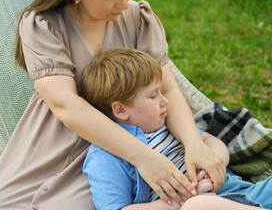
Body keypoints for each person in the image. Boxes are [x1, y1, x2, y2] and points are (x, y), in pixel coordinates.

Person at [0, 0, 226, 209]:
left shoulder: (138, 18)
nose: (124, 2)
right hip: (56, 136)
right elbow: (65, 106)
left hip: (118, 145)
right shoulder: (44, 24)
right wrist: (144, 158)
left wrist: (194, 145)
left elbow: (168, 90)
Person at [81, 48, 272, 210]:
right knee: (198, 206)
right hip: (192, 206)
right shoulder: (104, 157)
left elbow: (209, 142)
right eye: (153, 96)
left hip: (241, 193)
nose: (164, 101)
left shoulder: (167, 125)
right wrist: (185, 197)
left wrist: (214, 163)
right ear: (120, 109)